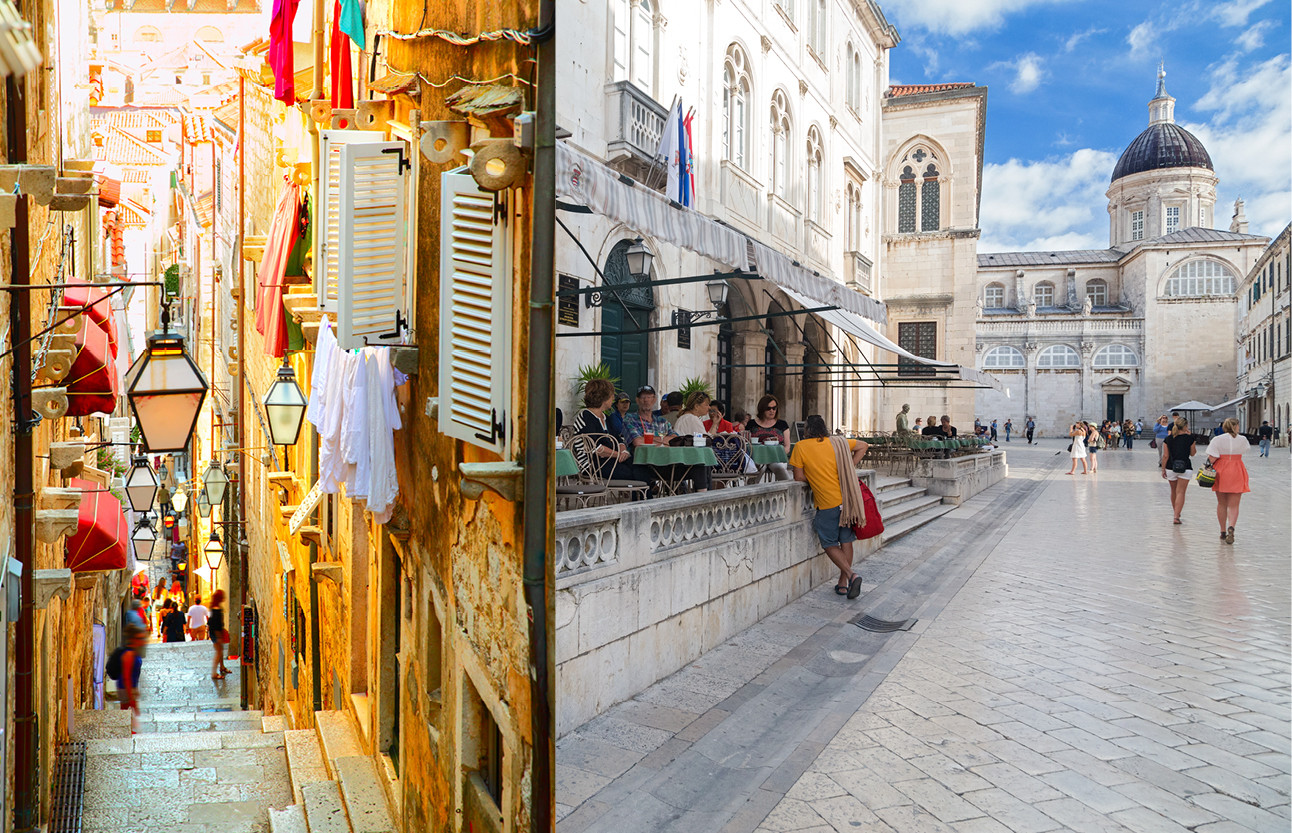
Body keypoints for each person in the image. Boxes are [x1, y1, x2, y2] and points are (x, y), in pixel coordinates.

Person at [788, 415, 870, 600]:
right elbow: (863, 445)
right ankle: (842, 584)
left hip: (827, 503)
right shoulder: (837, 443)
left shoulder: (801, 447)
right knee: (846, 540)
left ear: (806, 430)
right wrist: (848, 466)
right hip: (846, 500)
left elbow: (798, 477)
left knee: (829, 543)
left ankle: (851, 575)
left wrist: (816, 476)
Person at [572, 378, 637, 481]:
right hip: (592, 465)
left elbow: (618, 439)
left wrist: (623, 451)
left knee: (640, 467)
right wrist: (619, 455)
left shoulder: (606, 417)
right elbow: (595, 448)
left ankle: (642, 496)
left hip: (611, 460)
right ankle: (643, 496)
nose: (613, 398)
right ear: (603, 398)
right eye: (612, 395)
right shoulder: (586, 416)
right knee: (635, 473)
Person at [1207, 418, 1250, 544]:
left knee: (1221, 503)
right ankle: (1231, 526)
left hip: (1221, 470)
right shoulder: (1242, 439)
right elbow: (1245, 450)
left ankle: (1222, 531)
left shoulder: (1217, 439)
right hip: (1237, 468)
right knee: (1234, 505)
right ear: (1236, 426)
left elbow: (1212, 457)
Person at [674, 391, 716, 491]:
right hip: (686, 463)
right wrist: (715, 425)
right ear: (696, 406)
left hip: (679, 460)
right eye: (706, 405)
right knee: (705, 463)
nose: (709, 407)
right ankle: (705, 493)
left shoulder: (683, 417)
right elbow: (706, 440)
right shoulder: (692, 419)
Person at [1160, 417, 1196, 524]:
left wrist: (1163, 469)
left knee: (1174, 491)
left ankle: (1176, 512)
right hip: (1186, 467)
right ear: (1185, 426)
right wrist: (1190, 439)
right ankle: (1176, 516)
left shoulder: (1168, 439)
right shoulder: (1190, 438)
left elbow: (1165, 456)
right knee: (1181, 492)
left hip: (1171, 467)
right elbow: (1193, 453)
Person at [748, 395, 792, 481]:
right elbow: (746, 442)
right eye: (768, 408)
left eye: (774, 408)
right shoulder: (751, 424)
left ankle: (787, 489)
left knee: (780, 468)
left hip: (776, 457)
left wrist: (780, 454)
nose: (772, 411)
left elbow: (787, 446)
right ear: (762, 409)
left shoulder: (782, 424)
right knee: (758, 469)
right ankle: (751, 491)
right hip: (757, 457)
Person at [117, 624, 145, 733]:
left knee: (128, 712)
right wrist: (131, 696)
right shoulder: (128, 654)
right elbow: (126, 677)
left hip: (130, 686)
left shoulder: (133, 652)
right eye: (139, 638)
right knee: (126, 711)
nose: (142, 641)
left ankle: (128, 730)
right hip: (125, 687)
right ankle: (126, 731)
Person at [209, 589, 230, 679]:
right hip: (216, 633)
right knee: (218, 652)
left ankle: (222, 667)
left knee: (220, 651)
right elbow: (216, 624)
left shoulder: (214, 608)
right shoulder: (217, 611)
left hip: (214, 632)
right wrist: (219, 636)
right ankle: (214, 673)